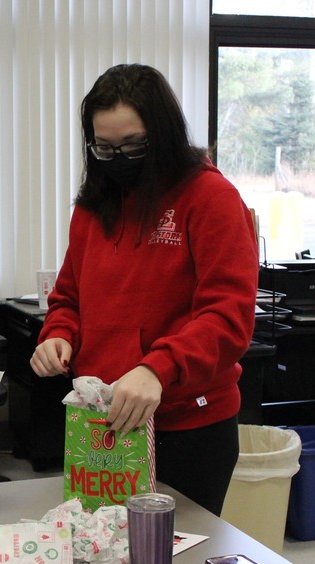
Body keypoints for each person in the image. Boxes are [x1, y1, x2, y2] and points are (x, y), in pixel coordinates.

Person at [30, 64, 258, 516]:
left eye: (133, 146)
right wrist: (58, 334)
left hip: (187, 425)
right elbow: (69, 299)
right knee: (102, 553)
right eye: (105, 148)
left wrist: (158, 368)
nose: (119, 159)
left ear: (164, 135)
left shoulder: (210, 198)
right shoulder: (94, 207)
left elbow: (227, 317)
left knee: (173, 563)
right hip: (102, 419)